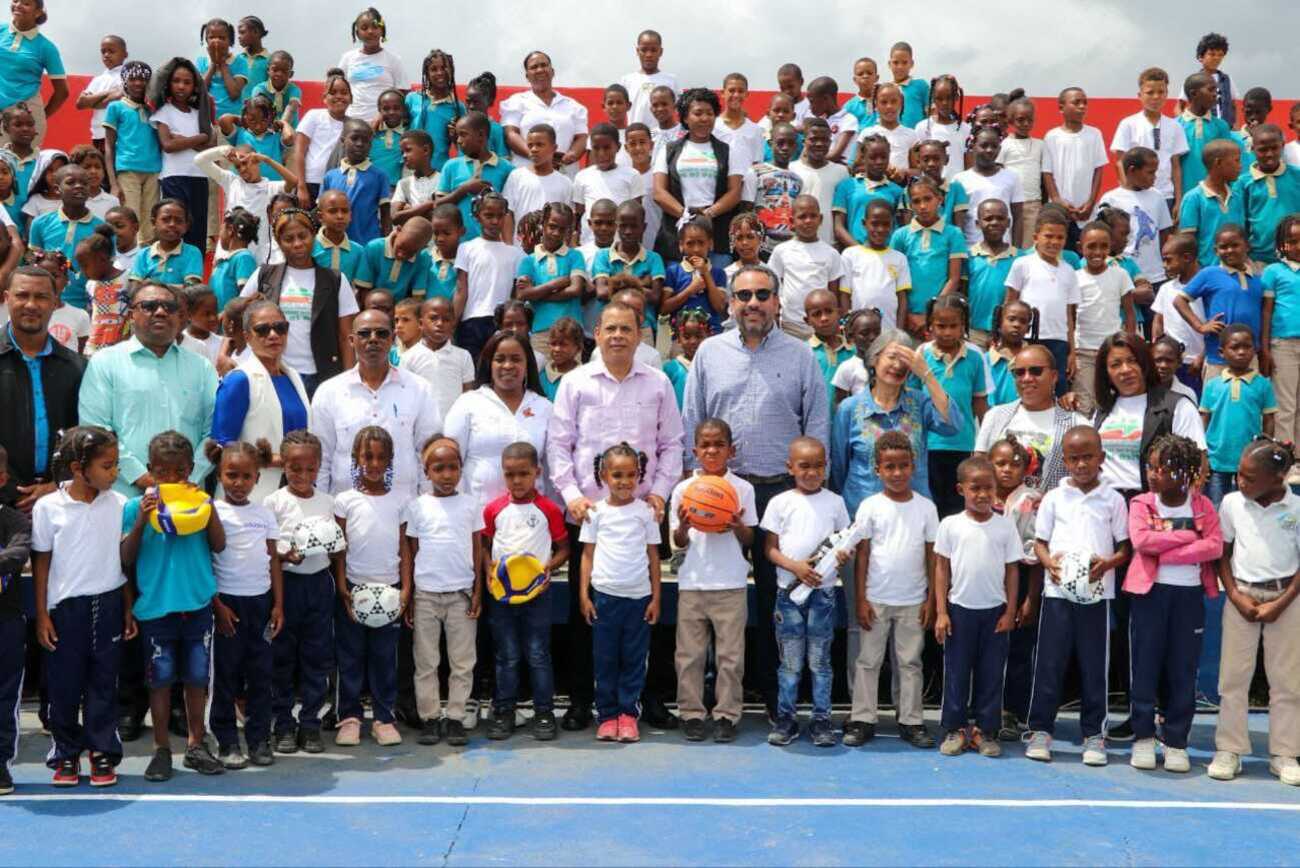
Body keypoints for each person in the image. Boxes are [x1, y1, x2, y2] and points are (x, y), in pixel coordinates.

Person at [682, 265, 827, 719]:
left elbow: (817, 422)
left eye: (763, 294)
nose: (753, 303)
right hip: (720, 495)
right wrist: (696, 487)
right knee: (715, 593)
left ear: (778, 302)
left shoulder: (801, 356)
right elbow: (694, 420)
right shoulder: (709, 353)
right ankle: (712, 695)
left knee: (775, 599)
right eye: (743, 295)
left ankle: (771, 692)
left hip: (782, 495)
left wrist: (812, 493)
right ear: (730, 302)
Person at [547, 300, 683, 730]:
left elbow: (673, 445)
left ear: (640, 334)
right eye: (610, 329)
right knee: (585, 611)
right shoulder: (575, 382)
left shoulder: (658, 383)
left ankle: (649, 698)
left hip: (643, 512)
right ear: (598, 334)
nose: (619, 336)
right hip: (589, 514)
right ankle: (583, 700)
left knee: (648, 610)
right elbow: (558, 444)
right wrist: (570, 495)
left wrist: (660, 493)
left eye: (627, 328)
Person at [120, 431, 226, 781]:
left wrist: (206, 509)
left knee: (197, 680)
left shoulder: (201, 503)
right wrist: (140, 521)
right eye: (163, 471)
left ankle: (196, 745)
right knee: (160, 682)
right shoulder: (136, 507)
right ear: (150, 470)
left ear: (190, 470)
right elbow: (125, 558)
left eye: (179, 471)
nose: (171, 478)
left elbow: (219, 545)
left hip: (196, 607)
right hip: (156, 610)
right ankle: (162, 749)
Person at [1023, 427, 1131, 766]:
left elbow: (1125, 548)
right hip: (1056, 593)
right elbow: (1040, 543)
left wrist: (1108, 564)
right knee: (1049, 662)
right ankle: (1040, 729)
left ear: (1101, 457)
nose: (1081, 464)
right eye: (1074, 458)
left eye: (1088, 457)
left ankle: (1095, 734)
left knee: (1093, 664)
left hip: (1097, 596)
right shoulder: (1055, 497)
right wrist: (1048, 564)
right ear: (1065, 461)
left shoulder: (1112, 499)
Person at [31, 427, 131, 788]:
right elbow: (41, 562)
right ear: (78, 467)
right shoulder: (48, 508)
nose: (114, 473)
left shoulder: (119, 504)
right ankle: (67, 753)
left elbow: (123, 563)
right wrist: (42, 613)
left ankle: (102, 750)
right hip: (65, 610)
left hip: (107, 605)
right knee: (64, 686)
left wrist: (127, 607)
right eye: (107, 466)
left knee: (104, 682)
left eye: (116, 464)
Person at [1125, 433, 1222, 773]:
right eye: (1150, 468)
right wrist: (1185, 537)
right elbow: (1142, 541)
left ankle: (1176, 741)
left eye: (1162, 469)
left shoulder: (1202, 506)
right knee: (1145, 667)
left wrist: (1168, 548)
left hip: (1189, 598)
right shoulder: (1142, 504)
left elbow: (1214, 547)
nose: (1153, 475)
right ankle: (1143, 738)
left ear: (1184, 472)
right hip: (1151, 596)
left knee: (1182, 670)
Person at [1210, 439, 1300, 787]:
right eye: (1239, 475)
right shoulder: (1233, 504)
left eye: (1249, 478)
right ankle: (1229, 749)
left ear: (1278, 478)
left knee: (1287, 681)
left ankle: (1285, 753)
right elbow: (1223, 552)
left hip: (1287, 599)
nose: (1240, 482)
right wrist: (1233, 593)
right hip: (1242, 598)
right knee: (1233, 678)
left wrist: (1281, 602)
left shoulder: (1295, 509)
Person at [846, 430, 938, 749]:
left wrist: (931, 599)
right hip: (875, 597)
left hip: (914, 599)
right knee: (868, 661)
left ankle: (911, 720)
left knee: (910, 662)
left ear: (913, 465)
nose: (897, 473)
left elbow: (931, 556)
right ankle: (862, 718)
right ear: (878, 470)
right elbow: (863, 555)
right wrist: (860, 598)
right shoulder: (869, 506)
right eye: (889, 467)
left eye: (903, 466)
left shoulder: (926, 508)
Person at [669, 419, 755, 743]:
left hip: (731, 584)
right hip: (692, 583)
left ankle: (726, 715)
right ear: (694, 451)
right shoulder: (683, 490)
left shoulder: (742, 489)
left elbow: (750, 540)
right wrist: (684, 527)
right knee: (689, 655)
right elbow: (677, 542)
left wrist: (736, 526)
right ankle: (691, 713)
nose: (712, 450)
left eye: (719, 444)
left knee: (730, 657)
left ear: (731, 450)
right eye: (705, 445)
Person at [761, 436, 849, 748]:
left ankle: (822, 720)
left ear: (826, 467)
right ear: (790, 467)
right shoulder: (779, 503)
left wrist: (841, 556)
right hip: (788, 594)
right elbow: (769, 549)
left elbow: (844, 544)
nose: (811, 472)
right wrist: (796, 567)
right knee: (790, 662)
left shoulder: (835, 502)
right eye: (804, 466)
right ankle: (786, 718)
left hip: (823, 595)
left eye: (817, 466)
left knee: (820, 661)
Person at [933, 455, 1021, 757]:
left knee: (991, 673)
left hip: (995, 612)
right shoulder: (950, 525)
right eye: (976, 488)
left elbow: (1012, 570)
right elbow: (941, 568)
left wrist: (1010, 611)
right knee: (956, 672)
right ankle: (955, 729)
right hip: (959, 611)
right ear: (961, 490)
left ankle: (985, 730)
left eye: (989, 488)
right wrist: (942, 612)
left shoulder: (1006, 526)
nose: (983, 494)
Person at [481, 441, 568, 741]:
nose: (516, 481)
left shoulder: (548, 509)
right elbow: (484, 545)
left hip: (537, 597)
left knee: (537, 654)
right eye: (509, 475)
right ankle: (504, 711)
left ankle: (544, 712)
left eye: (523, 474)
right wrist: (489, 569)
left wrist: (548, 569)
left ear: (537, 473)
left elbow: (564, 548)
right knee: (507, 655)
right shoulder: (494, 509)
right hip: (502, 598)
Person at [205, 439, 282, 770]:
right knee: (225, 676)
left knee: (261, 675)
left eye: (246, 476)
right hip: (227, 606)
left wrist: (278, 604)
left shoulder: (264, 514)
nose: (238, 483)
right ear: (219, 474)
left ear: (257, 477)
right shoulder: (210, 512)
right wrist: (217, 605)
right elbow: (204, 560)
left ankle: (259, 738)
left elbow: (273, 560)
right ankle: (226, 739)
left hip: (261, 604)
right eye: (231, 475)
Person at [579, 441, 662, 744]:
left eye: (630, 475)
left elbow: (653, 557)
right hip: (604, 598)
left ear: (639, 475)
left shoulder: (646, 513)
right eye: (617, 475)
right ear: (603, 476)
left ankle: (628, 714)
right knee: (605, 660)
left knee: (633, 660)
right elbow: (587, 556)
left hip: (638, 600)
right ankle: (607, 714)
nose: (624, 482)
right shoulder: (596, 513)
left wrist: (656, 597)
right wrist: (584, 596)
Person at [311, 310, 441, 500]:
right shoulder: (329, 391)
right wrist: (323, 507)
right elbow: (322, 458)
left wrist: (427, 506)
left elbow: (427, 452)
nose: (373, 339)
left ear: (393, 339)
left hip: (404, 509)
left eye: (381, 333)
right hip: (345, 510)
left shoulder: (419, 389)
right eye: (364, 334)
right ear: (351, 340)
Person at [332, 425, 409, 748]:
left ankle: (383, 716)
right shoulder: (344, 501)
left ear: (390, 460)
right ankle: (349, 717)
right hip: (352, 588)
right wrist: (341, 585)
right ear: (355, 458)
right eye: (367, 457)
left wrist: (406, 589)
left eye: (381, 458)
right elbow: (339, 548)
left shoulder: (400, 500)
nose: (374, 464)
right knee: (349, 655)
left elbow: (406, 548)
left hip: (389, 589)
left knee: (384, 657)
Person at [262, 430, 337, 756]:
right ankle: (282, 724)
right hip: (285, 587)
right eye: (295, 469)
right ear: (284, 467)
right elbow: (266, 549)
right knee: (281, 657)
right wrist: (284, 554)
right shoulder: (273, 503)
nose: (303, 476)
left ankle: (310, 723)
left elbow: (335, 547)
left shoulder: (327, 502)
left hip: (319, 585)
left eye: (310, 469)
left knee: (316, 657)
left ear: (319, 466)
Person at [830, 329, 960, 517]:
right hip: (862, 515)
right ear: (874, 359)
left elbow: (953, 425)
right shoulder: (849, 409)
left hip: (913, 514)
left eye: (906, 360)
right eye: (892, 357)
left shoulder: (920, 403)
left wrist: (927, 375)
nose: (898, 365)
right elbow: (839, 467)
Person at [404, 436, 482, 748]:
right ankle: (430, 717)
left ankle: (456, 717)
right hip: (425, 595)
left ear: (461, 470)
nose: (446, 475)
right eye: (439, 468)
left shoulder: (470, 505)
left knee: (462, 661)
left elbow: (477, 548)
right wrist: (409, 595)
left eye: (452, 468)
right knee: (426, 661)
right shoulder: (418, 506)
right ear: (427, 472)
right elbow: (412, 550)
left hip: (461, 593)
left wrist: (478, 590)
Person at [241, 208, 360, 394]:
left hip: (323, 376)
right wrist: (227, 353)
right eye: (288, 239)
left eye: (303, 236)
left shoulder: (335, 280)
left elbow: (346, 337)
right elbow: (238, 313)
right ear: (279, 243)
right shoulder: (264, 275)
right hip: (276, 374)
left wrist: (350, 379)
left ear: (313, 235)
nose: (297, 244)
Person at [0, 267, 85, 510]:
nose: (31, 304)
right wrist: (9, 490)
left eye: (41, 297)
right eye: (22, 295)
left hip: (60, 500)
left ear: (55, 302)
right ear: (7, 298)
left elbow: (82, 432)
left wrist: (56, 485)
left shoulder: (76, 367)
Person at [212, 300, 311, 504]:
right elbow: (222, 444)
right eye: (263, 330)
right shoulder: (239, 379)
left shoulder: (294, 376)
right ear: (247, 336)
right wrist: (276, 460)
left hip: (296, 492)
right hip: (251, 495)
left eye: (280, 328)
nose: (273, 335)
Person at [443, 330, 552, 508]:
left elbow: (551, 468)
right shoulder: (468, 403)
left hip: (532, 518)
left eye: (516, 359)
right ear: (489, 364)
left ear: (527, 365)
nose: (508, 365)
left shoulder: (545, 408)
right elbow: (451, 460)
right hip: (478, 517)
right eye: (500, 359)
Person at [975, 344, 1087, 494]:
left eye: (1036, 371)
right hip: (1000, 514)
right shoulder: (995, 416)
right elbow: (979, 469)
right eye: (1019, 372)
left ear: (1054, 376)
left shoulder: (1076, 425)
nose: (1027, 378)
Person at [652, 88, 742, 262]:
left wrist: (708, 214)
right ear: (685, 117)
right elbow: (658, 192)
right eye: (698, 113)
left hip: (716, 237)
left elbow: (735, 192)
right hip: (675, 239)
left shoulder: (727, 151)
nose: (705, 118)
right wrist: (686, 215)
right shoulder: (669, 150)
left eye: (710, 113)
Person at [1004, 209, 1079, 394]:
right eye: (1048, 236)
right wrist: (1003, 337)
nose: (1054, 242)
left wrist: (1072, 351)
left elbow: (1069, 314)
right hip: (1028, 338)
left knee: (1057, 388)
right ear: (1036, 237)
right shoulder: (1022, 264)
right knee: (1027, 385)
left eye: (1060, 237)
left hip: (1058, 340)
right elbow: (1010, 303)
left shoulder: (1069, 271)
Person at [1172, 224, 1261, 380]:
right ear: (1215, 250)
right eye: (1223, 247)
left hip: (1249, 357)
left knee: (1248, 401)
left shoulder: (1257, 278)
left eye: (1235, 245)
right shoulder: (1210, 273)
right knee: (1216, 401)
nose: (1229, 250)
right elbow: (1179, 300)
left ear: (1247, 246)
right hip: (1218, 358)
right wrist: (1200, 326)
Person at [1200, 324, 1276, 505]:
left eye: (1247, 347)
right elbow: (1204, 418)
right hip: (1217, 459)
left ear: (1254, 350)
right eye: (1235, 347)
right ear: (1221, 352)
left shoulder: (1263, 384)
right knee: (1217, 505)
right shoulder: (1212, 385)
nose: (1241, 352)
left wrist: (1264, 447)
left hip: (1250, 459)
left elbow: (1269, 418)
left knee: (1247, 505)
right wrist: (1202, 451)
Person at [889, 177, 966, 337]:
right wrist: (907, 314)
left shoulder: (953, 234)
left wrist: (930, 315)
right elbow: (893, 279)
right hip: (906, 317)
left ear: (940, 199)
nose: (923, 206)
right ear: (910, 205)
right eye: (916, 201)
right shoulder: (901, 235)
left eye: (928, 199)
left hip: (938, 319)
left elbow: (954, 278)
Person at [1074, 220, 1137, 411]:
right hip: (1083, 351)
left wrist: (1130, 344)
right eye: (1091, 246)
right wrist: (1071, 351)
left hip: (1112, 349)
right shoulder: (1075, 278)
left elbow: (1130, 313)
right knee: (1086, 404)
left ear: (1110, 247)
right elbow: (1069, 318)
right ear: (1080, 247)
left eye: (1103, 246)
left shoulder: (1120, 275)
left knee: (1116, 399)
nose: (1098, 252)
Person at [452, 192, 521, 362]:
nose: (495, 221)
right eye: (489, 215)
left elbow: (516, 295)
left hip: (502, 323)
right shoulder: (466, 248)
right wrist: (451, 325)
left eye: (500, 216)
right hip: (471, 322)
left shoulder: (516, 255)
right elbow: (461, 290)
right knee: (472, 372)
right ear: (477, 216)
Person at [514, 202, 587, 357]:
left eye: (562, 229)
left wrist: (537, 294)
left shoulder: (575, 256)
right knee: (539, 377)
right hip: (541, 331)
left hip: (571, 332)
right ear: (543, 224)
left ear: (569, 230)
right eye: (552, 226)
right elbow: (521, 295)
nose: (556, 233)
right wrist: (556, 283)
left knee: (572, 377)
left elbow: (576, 289)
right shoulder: (529, 261)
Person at [500, 51, 589, 176]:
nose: (540, 70)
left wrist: (572, 155)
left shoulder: (573, 106)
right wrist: (537, 156)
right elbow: (511, 134)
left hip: (565, 175)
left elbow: (582, 138)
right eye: (534, 67)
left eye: (544, 65)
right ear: (527, 76)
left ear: (552, 71)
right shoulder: (516, 102)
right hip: (527, 175)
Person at [768, 195, 845, 339]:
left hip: (821, 326)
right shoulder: (782, 251)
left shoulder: (831, 253)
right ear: (792, 221)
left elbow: (833, 293)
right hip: (790, 325)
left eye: (813, 216)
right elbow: (773, 287)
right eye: (802, 216)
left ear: (821, 219)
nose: (808, 221)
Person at [0, 444, 31, 795]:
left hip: (6, 622)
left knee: (5, 697)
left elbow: (16, 555)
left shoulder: (14, 520)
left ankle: (0, 765)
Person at [1042, 87, 1108, 245]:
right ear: (1061, 107)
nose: (1082, 106)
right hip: (1060, 210)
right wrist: (1058, 200)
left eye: (1085, 103)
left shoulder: (1094, 134)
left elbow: (1098, 170)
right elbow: (1047, 172)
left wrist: (1091, 203)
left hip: (1086, 211)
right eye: (1076, 102)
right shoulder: (1052, 136)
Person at [0, 0, 68, 148]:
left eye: (26, 3)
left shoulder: (46, 47)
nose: (18, 5)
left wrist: (39, 117)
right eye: (15, 0)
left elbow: (62, 92)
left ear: (37, 12)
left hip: (23, 115)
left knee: (14, 167)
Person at [399, 296, 475, 418]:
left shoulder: (463, 356)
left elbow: (468, 395)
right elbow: (405, 395)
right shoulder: (408, 357)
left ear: (453, 324)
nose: (440, 323)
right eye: (433, 318)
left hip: (454, 426)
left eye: (446, 319)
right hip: (421, 425)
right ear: (420, 323)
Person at [954, 126, 1025, 248]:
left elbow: (1018, 216)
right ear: (973, 146)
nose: (989, 150)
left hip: (1004, 250)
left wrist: (1016, 250)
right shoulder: (960, 180)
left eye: (994, 146)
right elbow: (958, 222)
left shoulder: (1012, 177)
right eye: (984, 145)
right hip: (972, 249)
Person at [292, 71, 352, 206]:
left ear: (351, 98)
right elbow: (299, 152)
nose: (339, 96)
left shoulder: (352, 125)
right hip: (311, 182)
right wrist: (301, 187)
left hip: (338, 185)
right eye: (333, 92)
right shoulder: (314, 116)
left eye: (344, 92)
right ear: (325, 97)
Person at [336, 7, 404, 123]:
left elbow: (402, 92)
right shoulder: (347, 58)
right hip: (351, 121)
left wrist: (382, 115)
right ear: (357, 33)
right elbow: (336, 88)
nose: (370, 31)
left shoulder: (394, 60)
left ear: (381, 30)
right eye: (364, 28)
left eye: (375, 27)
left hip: (383, 123)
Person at [1177, 71, 1233, 196]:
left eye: (1216, 91)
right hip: (1184, 195)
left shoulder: (1221, 126)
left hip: (1216, 195)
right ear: (1193, 93)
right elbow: (1173, 165)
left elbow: (1228, 162)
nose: (1215, 95)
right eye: (1211, 90)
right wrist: (1178, 197)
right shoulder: (1176, 125)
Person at [999, 98, 1045, 247]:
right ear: (1011, 121)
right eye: (1020, 120)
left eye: (1029, 120)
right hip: (1009, 204)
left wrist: (1043, 204)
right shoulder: (1005, 144)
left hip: (1033, 204)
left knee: (1028, 246)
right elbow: (998, 171)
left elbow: (1044, 177)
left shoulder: (1040, 145)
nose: (1025, 124)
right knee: (1009, 244)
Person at [619, 30, 675, 129]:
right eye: (644, 50)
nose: (648, 55)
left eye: (653, 50)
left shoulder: (671, 81)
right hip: (635, 137)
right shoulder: (626, 81)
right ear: (637, 51)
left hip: (662, 137)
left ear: (661, 52)